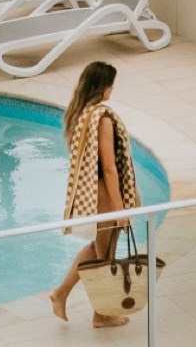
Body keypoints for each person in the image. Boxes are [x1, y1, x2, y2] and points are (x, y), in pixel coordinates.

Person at [51, 60, 140, 328]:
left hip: (95, 193)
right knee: (105, 256)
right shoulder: (103, 119)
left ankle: (63, 294)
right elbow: (109, 168)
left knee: (98, 250)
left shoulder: (82, 113)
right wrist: (120, 208)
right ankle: (100, 314)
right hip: (105, 195)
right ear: (104, 87)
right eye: (111, 85)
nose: (112, 90)